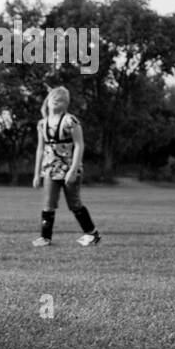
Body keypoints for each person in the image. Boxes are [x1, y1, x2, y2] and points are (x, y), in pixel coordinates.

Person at [32, 86, 101, 247]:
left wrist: (73, 169)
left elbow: (79, 145)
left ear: (66, 103)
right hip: (50, 170)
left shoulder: (71, 121)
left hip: (69, 169)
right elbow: (40, 149)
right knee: (48, 204)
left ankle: (92, 234)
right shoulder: (42, 124)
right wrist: (37, 174)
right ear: (47, 102)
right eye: (53, 98)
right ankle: (45, 237)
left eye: (61, 99)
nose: (56, 101)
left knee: (74, 204)